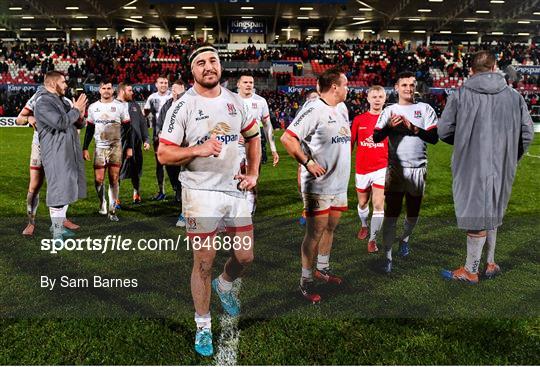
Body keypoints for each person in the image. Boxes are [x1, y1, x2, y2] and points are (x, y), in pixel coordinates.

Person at [157, 46, 261, 357]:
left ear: (220, 65)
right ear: (193, 71)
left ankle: (225, 284)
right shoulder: (183, 106)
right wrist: (196, 150)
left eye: (213, 61)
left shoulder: (234, 102)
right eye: (200, 63)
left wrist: (254, 171)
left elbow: (253, 136)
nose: (208, 67)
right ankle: (203, 326)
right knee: (203, 263)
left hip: (234, 190)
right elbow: (164, 153)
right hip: (199, 193)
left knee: (245, 258)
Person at [438, 51, 534, 283]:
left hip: (470, 163)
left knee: (475, 215)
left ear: (471, 70)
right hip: (502, 164)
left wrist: (464, 142)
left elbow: (444, 131)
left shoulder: (460, 95)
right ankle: (489, 263)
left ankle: (471, 271)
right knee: (491, 210)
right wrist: (511, 157)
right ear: (494, 68)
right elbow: (527, 133)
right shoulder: (514, 96)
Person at [281, 67, 351, 304]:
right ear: (335, 87)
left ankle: (322, 269)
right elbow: (288, 138)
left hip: (339, 185)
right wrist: (308, 162)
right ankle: (306, 281)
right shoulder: (313, 109)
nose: (348, 89)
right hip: (318, 186)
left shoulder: (341, 109)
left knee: (330, 228)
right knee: (314, 233)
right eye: (345, 85)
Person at [373, 71, 438, 273]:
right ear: (396, 88)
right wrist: (388, 127)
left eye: (412, 85)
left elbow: (434, 138)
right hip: (395, 170)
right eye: (404, 85)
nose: (409, 88)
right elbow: (376, 137)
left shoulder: (425, 109)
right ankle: (387, 256)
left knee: (413, 213)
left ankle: (405, 239)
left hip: (418, 170)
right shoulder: (389, 111)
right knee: (391, 214)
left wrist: (413, 128)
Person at [16, 87, 80, 236]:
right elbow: (19, 119)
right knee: (34, 186)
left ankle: (60, 221)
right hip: (40, 147)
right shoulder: (37, 99)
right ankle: (31, 222)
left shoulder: (67, 102)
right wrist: (29, 118)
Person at [34, 71, 87, 240]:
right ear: (51, 83)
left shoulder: (60, 101)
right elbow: (60, 122)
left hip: (68, 151)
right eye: (63, 82)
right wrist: (76, 110)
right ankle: (56, 232)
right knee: (58, 191)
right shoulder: (42, 102)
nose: (66, 85)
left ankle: (58, 227)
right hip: (56, 153)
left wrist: (80, 116)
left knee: (67, 188)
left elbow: (76, 121)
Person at [83, 81, 132, 222]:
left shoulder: (120, 106)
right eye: (103, 88)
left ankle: (112, 209)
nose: (106, 90)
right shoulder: (93, 107)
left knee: (114, 179)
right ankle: (102, 202)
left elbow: (128, 128)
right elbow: (90, 129)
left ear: (113, 90)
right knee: (98, 179)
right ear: (99, 90)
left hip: (116, 146)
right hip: (99, 147)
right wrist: (85, 147)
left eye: (109, 88)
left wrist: (129, 147)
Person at [351, 86, 388, 253]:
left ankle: (372, 239)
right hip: (362, 169)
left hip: (382, 168)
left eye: (380, 96)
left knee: (379, 204)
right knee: (362, 202)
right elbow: (350, 145)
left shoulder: (390, 120)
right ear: (368, 99)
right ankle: (364, 225)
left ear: (385, 98)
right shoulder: (359, 120)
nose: (377, 99)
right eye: (374, 96)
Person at [236, 73, 279, 214]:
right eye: (245, 82)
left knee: (252, 178)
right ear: (238, 84)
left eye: (251, 82)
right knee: (233, 180)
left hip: (254, 147)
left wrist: (273, 149)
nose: (249, 85)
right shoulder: (230, 101)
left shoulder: (260, 101)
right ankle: (235, 208)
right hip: (234, 147)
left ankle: (248, 212)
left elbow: (267, 125)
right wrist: (235, 136)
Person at [156, 79, 187, 226]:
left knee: (185, 174)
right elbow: (160, 122)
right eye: (173, 89)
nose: (174, 92)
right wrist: (159, 133)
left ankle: (185, 209)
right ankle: (177, 189)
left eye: (178, 89)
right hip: (170, 146)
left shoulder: (188, 103)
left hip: (184, 147)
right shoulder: (167, 105)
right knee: (172, 171)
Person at [117, 82, 150, 205]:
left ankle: (136, 193)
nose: (132, 92)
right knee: (116, 171)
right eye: (129, 90)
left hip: (136, 144)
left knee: (136, 170)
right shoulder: (113, 106)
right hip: (119, 144)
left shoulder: (135, 105)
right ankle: (116, 197)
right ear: (122, 91)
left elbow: (142, 124)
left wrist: (146, 139)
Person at [144, 75, 172, 201]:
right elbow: (144, 113)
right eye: (161, 82)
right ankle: (161, 191)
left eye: (165, 83)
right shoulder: (152, 98)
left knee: (175, 163)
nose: (163, 85)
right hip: (157, 135)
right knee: (159, 163)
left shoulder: (172, 96)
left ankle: (178, 190)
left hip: (172, 134)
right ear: (156, 84)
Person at [297, 89, 319, 226]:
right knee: (301, 184)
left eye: (317, 97)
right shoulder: (302, 113)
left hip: (322, 154)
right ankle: (306, 206)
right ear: (307, 100)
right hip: (305, 153)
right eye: (312, 97)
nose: (315, 100)